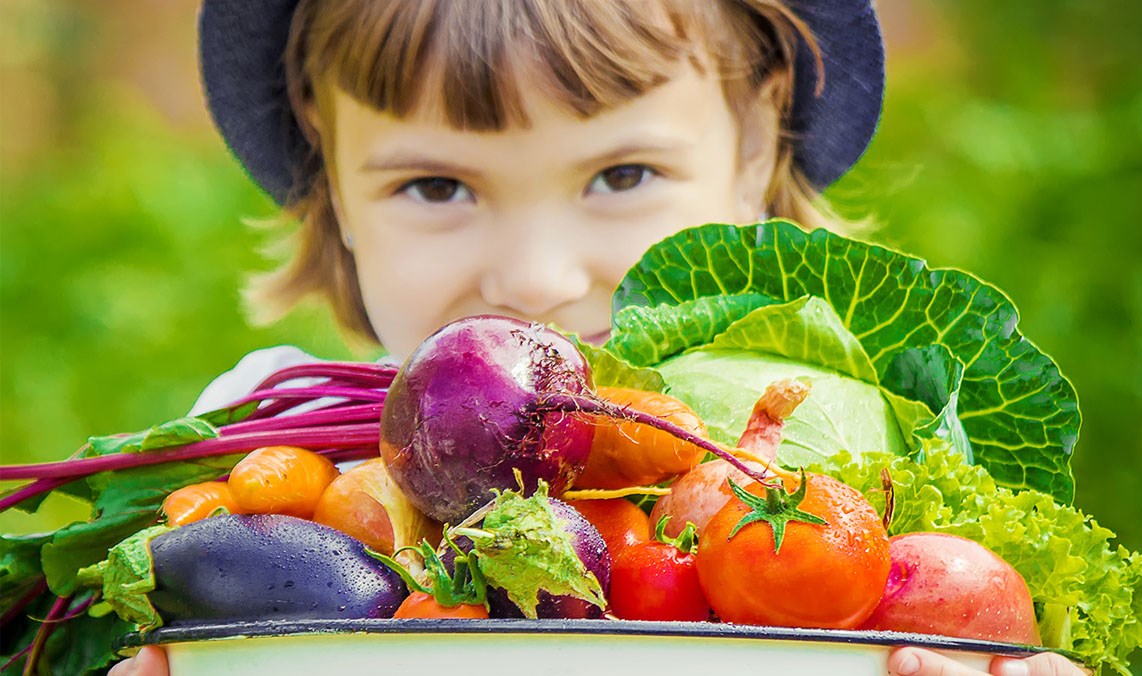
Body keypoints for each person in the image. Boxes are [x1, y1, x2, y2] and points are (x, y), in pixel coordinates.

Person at [111, 1, 1086, 675]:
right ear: (332, 177)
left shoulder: (875, 494)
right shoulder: (265, 449)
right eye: (437, 186)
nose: (537, 279)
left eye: (621, 175)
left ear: (754, 143)